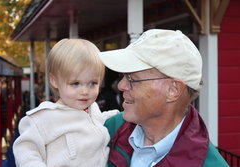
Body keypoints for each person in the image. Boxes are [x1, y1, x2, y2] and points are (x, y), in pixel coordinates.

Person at [98, 29, 229, 167]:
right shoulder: (108, 129)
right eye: (123, 76)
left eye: (132, 79)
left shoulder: (210, 164)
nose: (121, 85)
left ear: (173, 90)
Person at [13, 39, 119, 167]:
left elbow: (96, 122)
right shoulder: (43, 118)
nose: (85, 91)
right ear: (54, 80)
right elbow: (26, 152)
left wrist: (117, 115)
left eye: (93, 83)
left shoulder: (92, 108)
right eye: (75, 83)